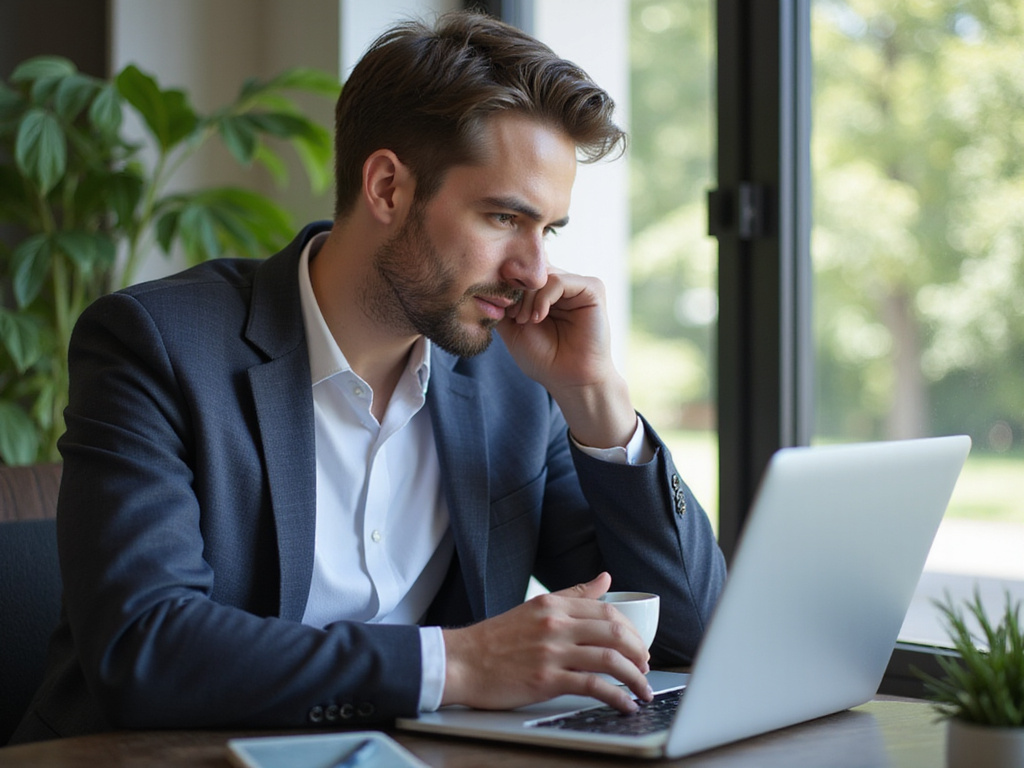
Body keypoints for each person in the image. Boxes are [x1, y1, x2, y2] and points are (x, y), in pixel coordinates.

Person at [11, 10, 726, 744]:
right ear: (387, 187)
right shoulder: (158, 346)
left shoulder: (513, 380)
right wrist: (458, 663)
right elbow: (146, 649)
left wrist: (597, 402)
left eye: (549, 231)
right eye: (504, 218)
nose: (534, 273)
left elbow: (690, 636)